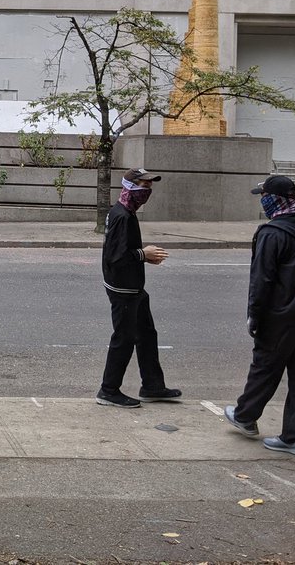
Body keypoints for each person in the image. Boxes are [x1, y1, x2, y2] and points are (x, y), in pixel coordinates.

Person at [223, 175, 295, 457]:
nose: (262, 201)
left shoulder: (272, 234)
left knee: (266, 367)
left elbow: (262, 280)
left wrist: (254, 315)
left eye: (264, 196)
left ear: (274, 199)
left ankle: (245, 415)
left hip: (282, 315)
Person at [97, 166, 181, 408]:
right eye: (144, 186)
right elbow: (116, 257)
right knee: (124, 338)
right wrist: (143, 255)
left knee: (146, 334)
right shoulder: (122, 216)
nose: (148, 191)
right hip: (123, 289)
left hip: (133, 287)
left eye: (150, 186)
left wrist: (142, 257)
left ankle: (152, 386)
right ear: (130, 187)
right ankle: (108, 390)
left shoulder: (126, 212)